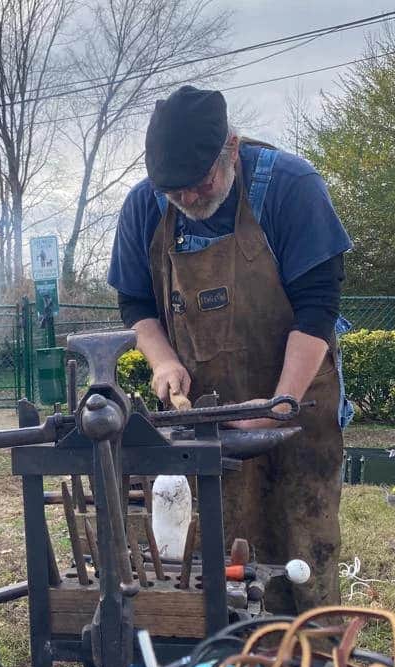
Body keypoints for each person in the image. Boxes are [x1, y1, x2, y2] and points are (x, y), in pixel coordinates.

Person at [108, 85, 353, 613]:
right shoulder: (143, 207)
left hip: (298, 404)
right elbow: (134, 302)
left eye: (202, 184)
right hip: (212, 418)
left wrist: (278, 404)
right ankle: (235, 666)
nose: (190, 200)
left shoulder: (290, 188)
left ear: (232, 149)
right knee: (226, 551)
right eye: (175, 192)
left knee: (304, 540)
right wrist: (164, 359)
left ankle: (314, 663)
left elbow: (317, 308)